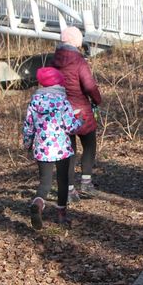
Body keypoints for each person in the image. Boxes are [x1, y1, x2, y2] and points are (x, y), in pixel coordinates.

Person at [22, 67, 83, 229]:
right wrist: (80, 120)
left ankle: (38, 204)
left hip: (42, 148)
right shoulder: (62, 101)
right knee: (62, 182)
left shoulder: (35, 101)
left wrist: (27, 143)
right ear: (58, 82)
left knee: (45, 183)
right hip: (62, 148)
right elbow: (71, 127)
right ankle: (61, 216)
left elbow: (28, 126)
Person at [53, 26, 102, 198]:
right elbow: (89, 86)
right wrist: (97, 99)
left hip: (60, 111)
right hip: (80, 111)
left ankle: (68, 189)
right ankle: (86, 183)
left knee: (68, 150)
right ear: (77, 42)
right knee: (89, 145)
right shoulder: (79, 61)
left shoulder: (53, 60)